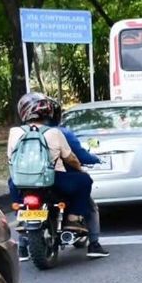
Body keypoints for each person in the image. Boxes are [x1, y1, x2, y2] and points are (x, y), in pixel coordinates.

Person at [7, 93, 94, 237]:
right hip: (53, 180)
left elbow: (10, 157)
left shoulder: (14, 132)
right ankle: (73, 218)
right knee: (85, 181)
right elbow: (70, 158)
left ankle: (21, 215)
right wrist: (80, 169)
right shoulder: (54, 132)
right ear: (48, 112)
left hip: (22, 182)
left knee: (11, 182)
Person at [48, 99, 109, 258]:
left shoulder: (21, 133)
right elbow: (77, 156)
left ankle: (23, 247)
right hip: (61, 179)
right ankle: (93, 244)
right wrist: (95, 160)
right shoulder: (61, 133)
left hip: (30, 183)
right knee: (90, 203)